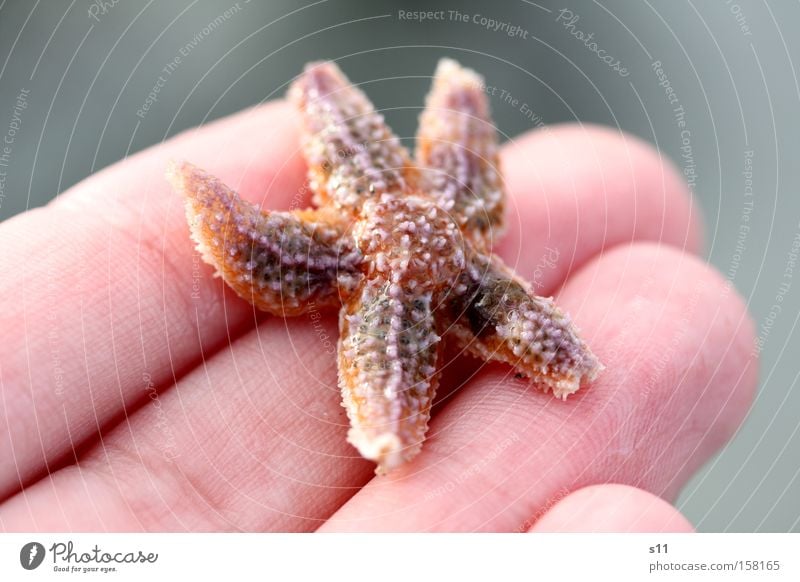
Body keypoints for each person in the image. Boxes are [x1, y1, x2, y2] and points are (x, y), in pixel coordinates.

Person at [0, 100, 757, 532]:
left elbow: (521, 318)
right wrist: (211, 202)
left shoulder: (449, 251)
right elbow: (251, 239)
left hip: (424, 264)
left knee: (535, 346)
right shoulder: (376, 242)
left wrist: (565, 355)